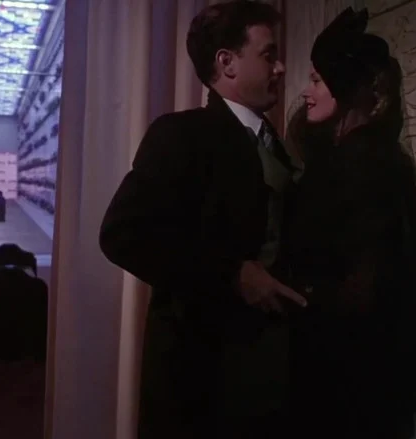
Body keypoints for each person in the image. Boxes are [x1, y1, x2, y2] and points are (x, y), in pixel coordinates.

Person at [99, 1, 306, 438]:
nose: (281, 67)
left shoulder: (277, 145)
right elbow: (122, 234)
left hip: (266, 377)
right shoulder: (182, 135)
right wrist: (232, 273)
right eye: (268, 54)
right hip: (202, 380)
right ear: (227, 63)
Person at [282, 8, 416, 438]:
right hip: (348, 368)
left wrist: (296, 297)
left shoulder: (362, 163)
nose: (307, 92)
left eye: (317, 80)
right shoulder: (353, 158)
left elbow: (366, 286)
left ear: (345, 87)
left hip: (346, 376)